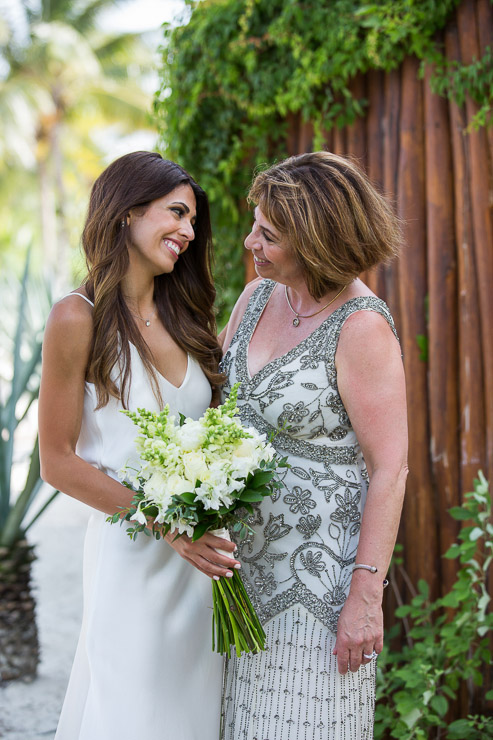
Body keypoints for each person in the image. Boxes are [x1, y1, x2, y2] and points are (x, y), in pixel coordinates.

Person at [38, 151, 241, 740]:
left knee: (196, 718)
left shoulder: (187, 318)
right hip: (135, 554)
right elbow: (57, 461)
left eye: (194, 221)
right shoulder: (77, 318)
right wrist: (168, 523)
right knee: (135, 716)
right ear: (127, 212)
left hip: (205, 563)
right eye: (176, 213)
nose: (188, 231)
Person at [219, 151, 408, 739]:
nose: (251, 241)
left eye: (268, 235)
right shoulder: (254, 301)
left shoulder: (362, 328)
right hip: (234, 581)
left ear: (317, 241)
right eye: (255, 224)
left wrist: (365, 596)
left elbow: (390, 468)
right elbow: (215, 410)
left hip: (318, 592)